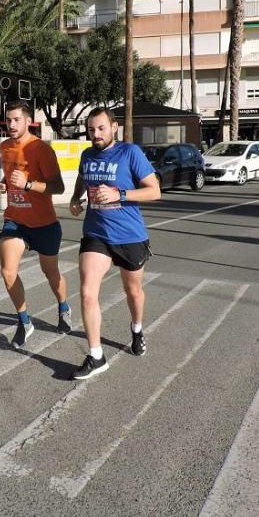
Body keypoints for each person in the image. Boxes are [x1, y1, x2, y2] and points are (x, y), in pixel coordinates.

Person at [68, 107, 161, 379]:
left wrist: (118, 193)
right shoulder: (87, 155)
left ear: (114, 127)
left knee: (133, 292)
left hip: (130, 236)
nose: (95, 134)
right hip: (96, 233)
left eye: (100, 128)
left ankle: (137, 328)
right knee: (87, 291)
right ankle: (96, 355)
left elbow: (154, 191)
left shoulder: (130, 152)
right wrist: (76, 199)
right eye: (91, 129)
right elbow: (83, 178)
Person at [0, 101, 70, 349]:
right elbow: (9, 174)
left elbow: (58, 187)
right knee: (8, 271)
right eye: (8, 120)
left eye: (16, 119)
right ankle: (25, 321)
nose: (11, 125)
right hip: (15, 220)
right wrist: (5, 183)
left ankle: (63, 307)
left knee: (51, 274)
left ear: (29, 121)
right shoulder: (4, 147)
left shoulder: (41, 149)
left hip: (44, 224)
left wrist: (28, 184)